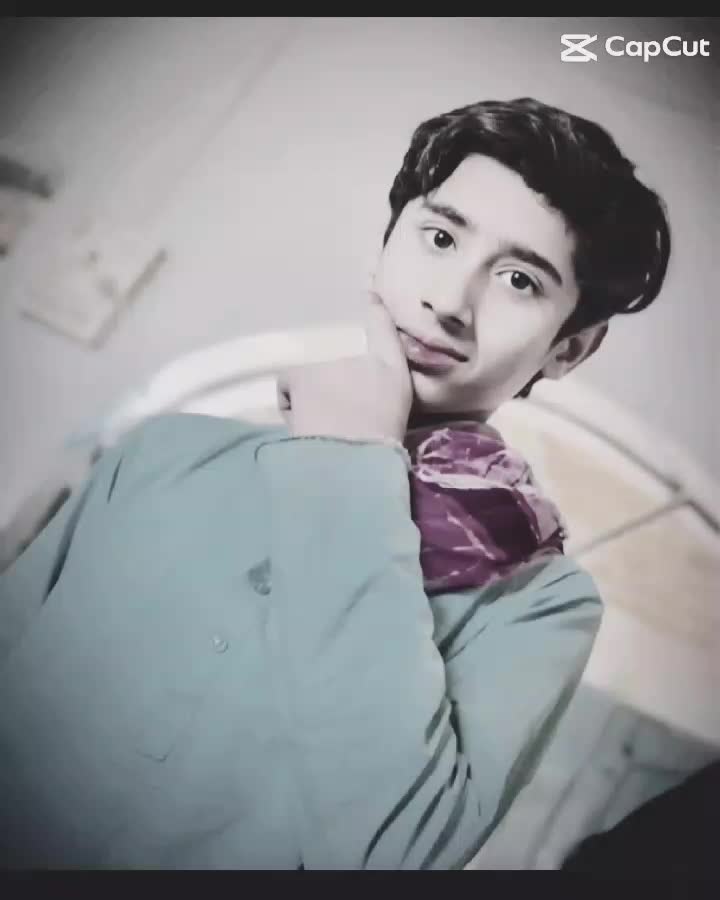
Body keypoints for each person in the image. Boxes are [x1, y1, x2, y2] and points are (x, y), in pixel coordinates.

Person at [0, 97, 670, 870]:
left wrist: (351, 458)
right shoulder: (164, 452)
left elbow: (394, 852)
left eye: (519, 280)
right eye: (440, 237)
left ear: (569, 348)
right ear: (386, 244)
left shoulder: (541, 604)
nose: (448, 302)